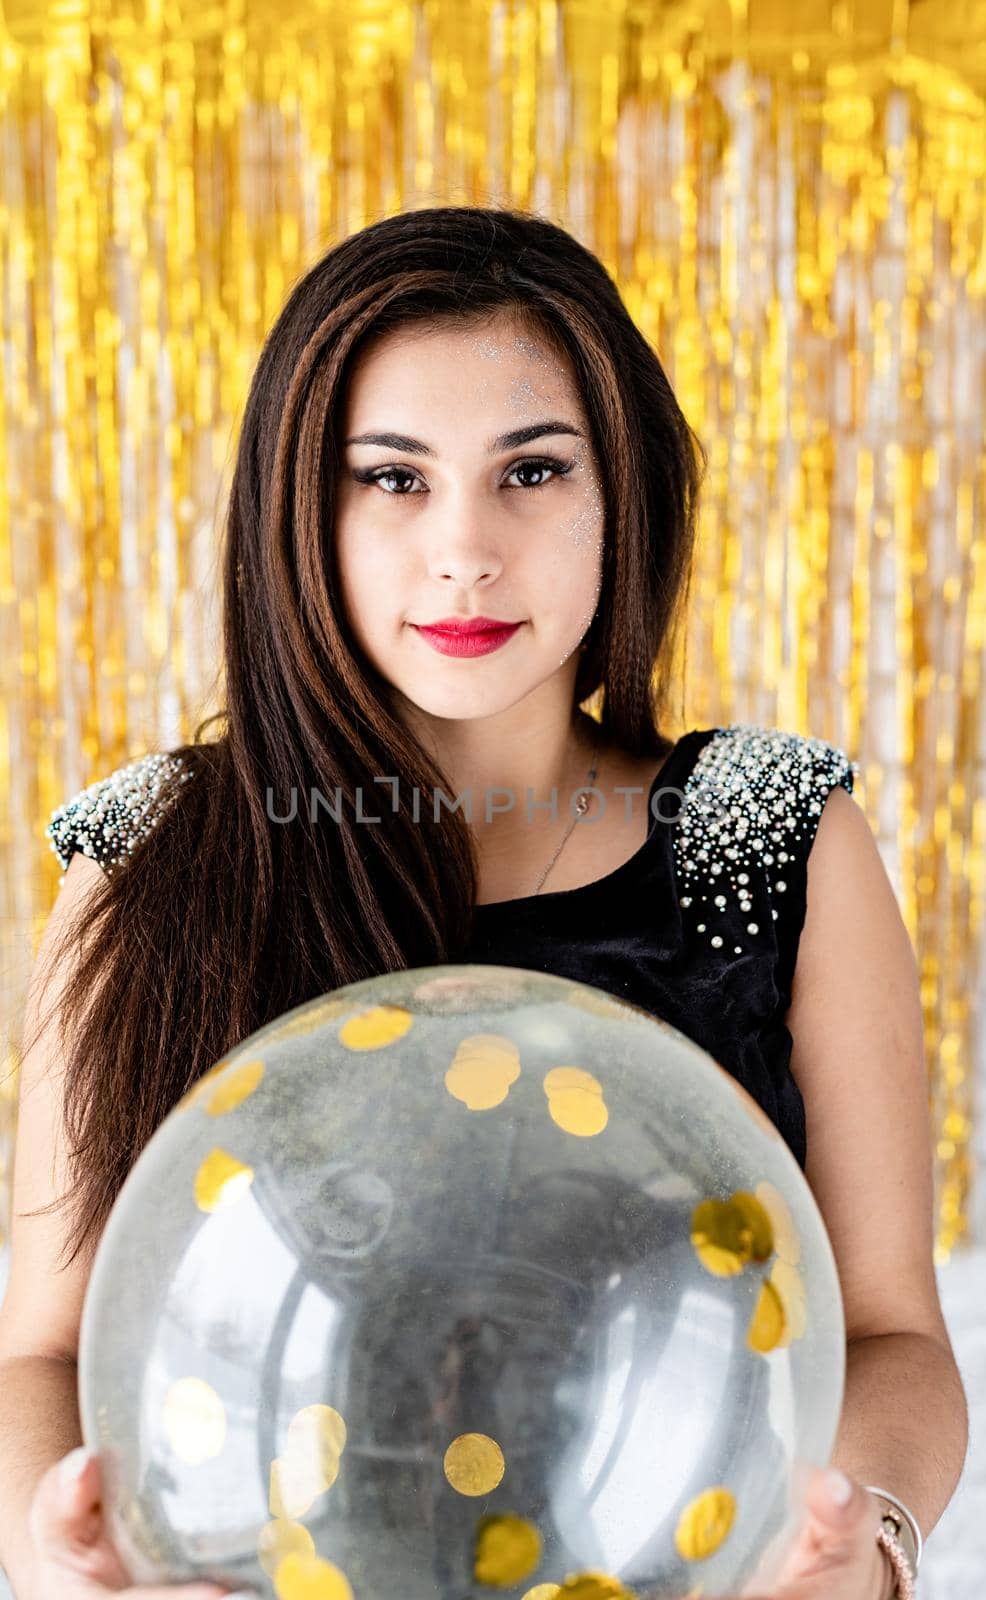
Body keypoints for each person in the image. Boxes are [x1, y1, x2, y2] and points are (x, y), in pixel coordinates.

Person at [0, 205, 966, 1600]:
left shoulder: (774, 834)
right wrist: (57, 1562)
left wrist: (861, 1549)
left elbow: (893, 1337)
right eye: (390, 479)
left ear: (619, 495)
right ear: (298, 509)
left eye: (530, 471)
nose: (463, 548)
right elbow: (43, 1351)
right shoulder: (148, 855)